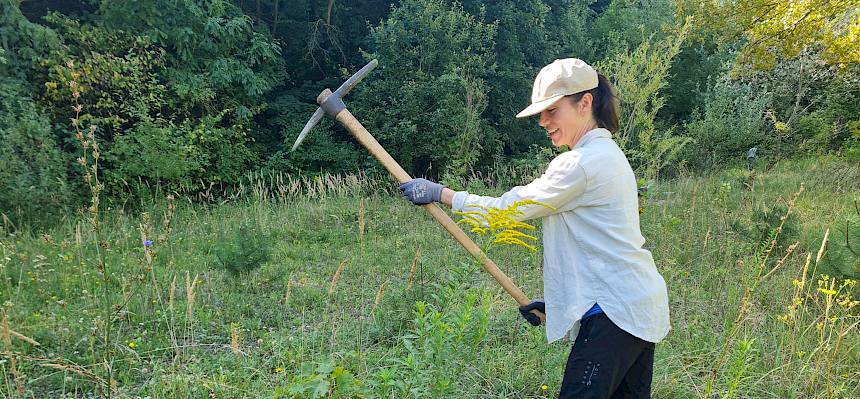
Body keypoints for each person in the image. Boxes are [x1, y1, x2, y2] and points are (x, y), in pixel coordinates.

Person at [399, 58, 670, 398]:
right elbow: (598, 245)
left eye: (552, 111)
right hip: (634, 306)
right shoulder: (605, 154)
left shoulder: (582, 164)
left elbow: (508, 210)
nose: (543, 121)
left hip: (615, 313)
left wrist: (443, 194)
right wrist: (562, 304)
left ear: (584, 103)